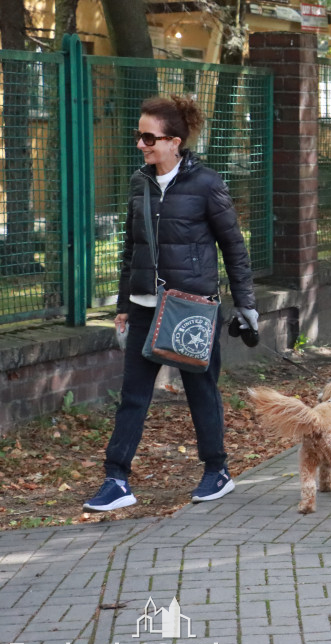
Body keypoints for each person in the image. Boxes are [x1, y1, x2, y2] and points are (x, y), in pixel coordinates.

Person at [83, 96, 256, 512]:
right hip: (145, 305)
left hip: (191, 306)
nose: (141, 144)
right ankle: (116, 480)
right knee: (133, 395)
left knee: (201, 388)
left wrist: (245, 304)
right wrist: (124, 303)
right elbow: (132, 248)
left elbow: (233, 247)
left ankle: (217, 471)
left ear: (174, 141)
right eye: (138, 136)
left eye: (149, 137)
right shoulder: (139, 182)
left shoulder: (207, 184)